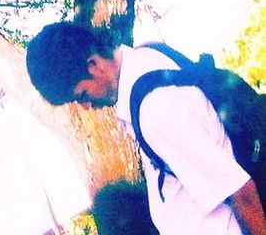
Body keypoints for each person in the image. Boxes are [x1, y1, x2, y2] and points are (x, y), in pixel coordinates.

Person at [26, 22, 266, 235]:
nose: (87, 106)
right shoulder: (148, 55)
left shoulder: (156, 111)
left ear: (94, 65)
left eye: (82, 95)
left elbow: (241, 192)